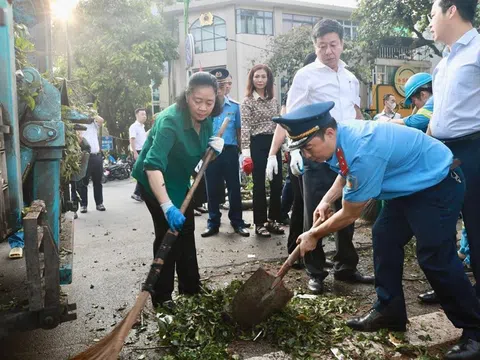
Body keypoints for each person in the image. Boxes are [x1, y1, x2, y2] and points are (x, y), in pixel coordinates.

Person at [274, 101, 480, 360]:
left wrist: (314, 235)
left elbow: (350, 214)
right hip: (409, 184)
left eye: (307, 148)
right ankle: (389, 310)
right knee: (383, 236)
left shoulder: (363, 150)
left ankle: (475, 331)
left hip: (437, 183)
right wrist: (327, 199)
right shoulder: (341, 136)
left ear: (328, 133)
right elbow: (344, 168)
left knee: (434, 256)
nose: (306, 156)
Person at [287, 19, 373, 294]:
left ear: (342, 44)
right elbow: (292, 116)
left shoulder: (350, 77)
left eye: (333, 44)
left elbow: (355, 113)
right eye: (322, 46)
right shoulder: (306, 75)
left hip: (347, 152)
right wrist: (296, 151)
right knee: (316, 211)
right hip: (316, 153)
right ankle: (315, 271)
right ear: (315, 46)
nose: (328, 51)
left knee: (348, 208)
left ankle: (346, 266)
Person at [131, 72, 224, 307]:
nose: (203, 108)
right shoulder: (170, 121)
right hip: (155, 182)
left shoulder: (208, 119)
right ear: (187, 97)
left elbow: (199, 159)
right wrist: (166, 205)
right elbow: (153, 166)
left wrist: (213, 152)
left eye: (209, 102)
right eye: (197, 101)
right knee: (167, 234)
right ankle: (162, 297)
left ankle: (190, 287)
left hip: (179, 181)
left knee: (187, 230)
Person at [417, 1, 480, 319]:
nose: (430, 22)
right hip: (442, 153)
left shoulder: (478, 51)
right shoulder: (445, 61)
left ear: (451, 10)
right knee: (438, 228)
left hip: (473, 150)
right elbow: (437, 115)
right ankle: (451, 288)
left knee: (476, 228)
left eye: (432, 14)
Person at [267, 52, 317, 268]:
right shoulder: (298, 90)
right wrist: (273, 153)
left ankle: (316, 252)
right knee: (302, 203)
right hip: (301, 155)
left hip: (327, 154)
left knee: (321, 206)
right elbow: (283, 124)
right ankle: (296, 250)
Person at [202, 68, 249, 238]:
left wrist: (244, 154)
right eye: (217, 84)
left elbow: (239, 133)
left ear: (228, 86)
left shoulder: (235, 107)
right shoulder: (206, 107)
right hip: (210, 152)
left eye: (224, 84)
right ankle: (213, 223)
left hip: (229, 151)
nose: (221, 87)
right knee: (212, 189)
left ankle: (237, 222)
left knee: (234, 188)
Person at [241, 64, 284, 237]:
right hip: (256, 143)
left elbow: (279, 125)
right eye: (256, 76)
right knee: (259, 184)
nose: (260, 80)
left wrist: (285, 146)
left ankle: (273, 220)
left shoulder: (273, 100)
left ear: (268, 79)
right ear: (252, 79)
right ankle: (259, 223)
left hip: (274, 143)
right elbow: (245, 127)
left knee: (276, 182)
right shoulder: (247, 102)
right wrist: (246, 154)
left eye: (263, 77)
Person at [78, 114, 106, 213]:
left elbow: (101, 120)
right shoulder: (79, 124)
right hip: (85, 156)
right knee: (83, 182)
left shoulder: (94, 123)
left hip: (96, 155)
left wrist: (92, 113)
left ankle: (99, 203)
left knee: (97, 181)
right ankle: (83, 205)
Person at [129, 108, 147, 202]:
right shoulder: (134, 126)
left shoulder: (142, 127)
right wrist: (135, 152)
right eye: (142, 114)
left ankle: (140, 194)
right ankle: (136, 193)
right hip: (139, 152)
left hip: (143, 151)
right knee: (141, 173)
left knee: (144, 173)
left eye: (145, 114)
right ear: (137, 115)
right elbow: (132, 139)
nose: (144, 116)